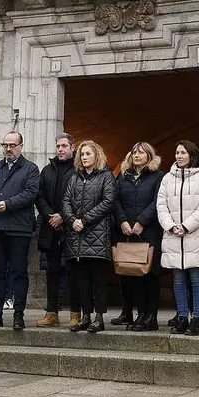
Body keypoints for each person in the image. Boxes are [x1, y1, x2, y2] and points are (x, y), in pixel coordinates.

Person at [0, 131, 40, 331]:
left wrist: (8, 204)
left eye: (12, 145)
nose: (8, 148)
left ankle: (18, 315)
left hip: (19, 228)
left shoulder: (30, 169)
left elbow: (30, 193)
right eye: (5, 145)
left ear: (21, 146)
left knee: (19, 272)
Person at [157, 140, 199, 336]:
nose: (179, 156)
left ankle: (196, 318)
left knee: (196, 278)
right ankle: (182, 316)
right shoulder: (167, 178)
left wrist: (186, 226)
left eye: (182, 152)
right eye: (177, 152)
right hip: (173, 235)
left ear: (191, 154)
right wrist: (171, 225)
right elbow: (161, 205)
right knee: (178, 279)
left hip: (195, 235)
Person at [62, 140, 117, 333]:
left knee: (98, 280)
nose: (84, 157)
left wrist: (84, 220)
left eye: (88, 154)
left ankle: (99, 318)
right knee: (81, 279)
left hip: (97, 234)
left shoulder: (106, 176)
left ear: (97, 156)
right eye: (82, 154)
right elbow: (66, 200)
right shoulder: (75, 177)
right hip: (76, 236)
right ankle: (85, 316)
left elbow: (108, 201)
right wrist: (71, 220)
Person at [112, 141, 163, 332]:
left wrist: (141, 221)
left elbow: (158, 201)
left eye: (141, 152)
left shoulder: (158, 176)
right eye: (134, 152)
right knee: (129, 273)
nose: (137, 155)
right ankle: (135, 314)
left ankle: (150, 316)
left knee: (149, 275)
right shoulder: (123, 177)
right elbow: (115, 201)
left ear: (150, 156)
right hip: (126, 232)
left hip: (148, 232)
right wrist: (123, 221)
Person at [35, 133, 77, 328]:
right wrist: (50, 216)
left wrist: (63, 216)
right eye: (58, 146)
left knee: (73, 271)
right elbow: (39, 195)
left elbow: (80, 199)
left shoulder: (79, 170)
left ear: (72, 148)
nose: (60, 149)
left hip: (72, 229)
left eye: (64, 146)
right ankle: (52, 312)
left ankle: (76, 313)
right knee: (52, 271)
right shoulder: (47, 170)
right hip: (50, 227)